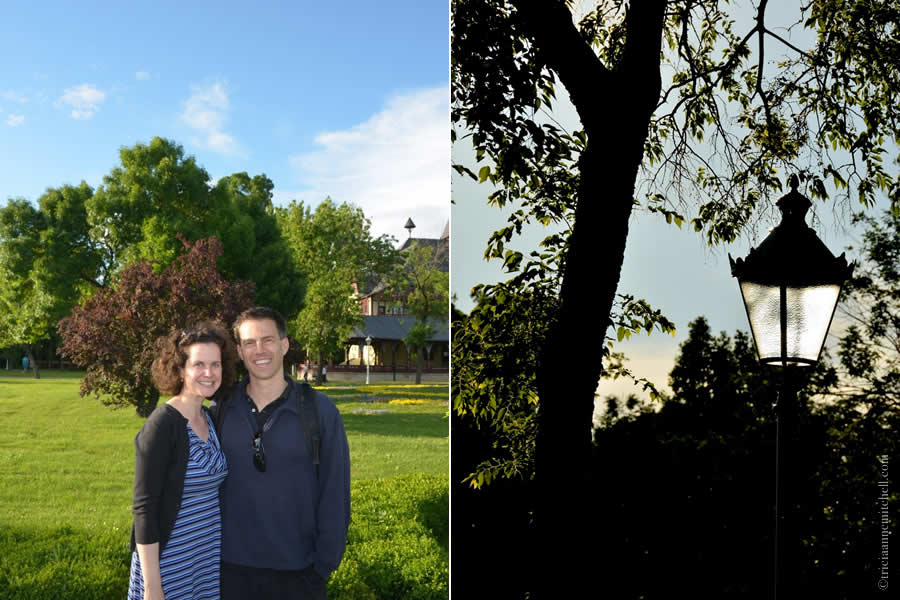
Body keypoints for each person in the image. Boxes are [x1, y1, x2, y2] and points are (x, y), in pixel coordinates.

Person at [212, 306, 350, 600]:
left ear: (284, 345)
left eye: (268, 340)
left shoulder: (320, 411)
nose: (259, 350)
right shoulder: (220, 409)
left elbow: (335, 492)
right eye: (249, 343)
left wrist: (321, 568)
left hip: (299, 575)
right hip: (229, 573)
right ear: (239, 351)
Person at [128, 322, 237, 600]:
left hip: (203, 563)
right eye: (199, 364)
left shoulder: (210, 418)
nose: (209, 373)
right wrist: (153, 587)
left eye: (215, 364)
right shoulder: (163, 425)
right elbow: (144, 509)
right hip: (168, 566)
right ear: (180, 370)